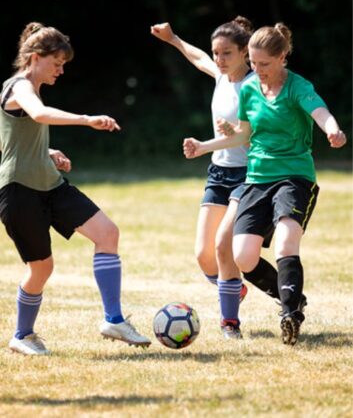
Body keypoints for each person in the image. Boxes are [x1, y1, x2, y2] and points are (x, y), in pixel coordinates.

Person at [183, 22, 347, 345]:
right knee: (243, 257)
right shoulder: (249, 90)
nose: (257, 71)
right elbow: (245, 134)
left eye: (265, 65)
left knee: (287, 239)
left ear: (283, 57)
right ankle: (293, 297)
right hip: (257, 178)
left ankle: (290, 315)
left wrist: (332, 129)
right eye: (254, 64)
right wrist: (205, 146)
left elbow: (319, 110)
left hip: (294, 176)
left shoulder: (297, 86)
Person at [0, 22, 151, 355]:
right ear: (35, 58)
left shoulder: (31, 90)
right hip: (20, 192)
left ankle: (113, 319)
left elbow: (14, 135)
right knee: (41, 268)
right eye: (57, 63)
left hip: (51, 187)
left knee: (107, 233)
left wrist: (47, 153)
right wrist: (86, 119)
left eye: (63, 65)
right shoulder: (18, 87)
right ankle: (22, 335)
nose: (61, 71)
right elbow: (38, 115)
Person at [151, 18, 302, 340]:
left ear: (244, 54)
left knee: (224, 245)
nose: (218, 59)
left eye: (226, 53)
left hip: (251, 174)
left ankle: (229, 322)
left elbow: (260, 139)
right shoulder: (220, 76)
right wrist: (173, 38)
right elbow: (196, 57)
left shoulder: (254, 86)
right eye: (216, 53)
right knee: (203, 254)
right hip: (219, 173)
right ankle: (242, 289)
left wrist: (233, 137)